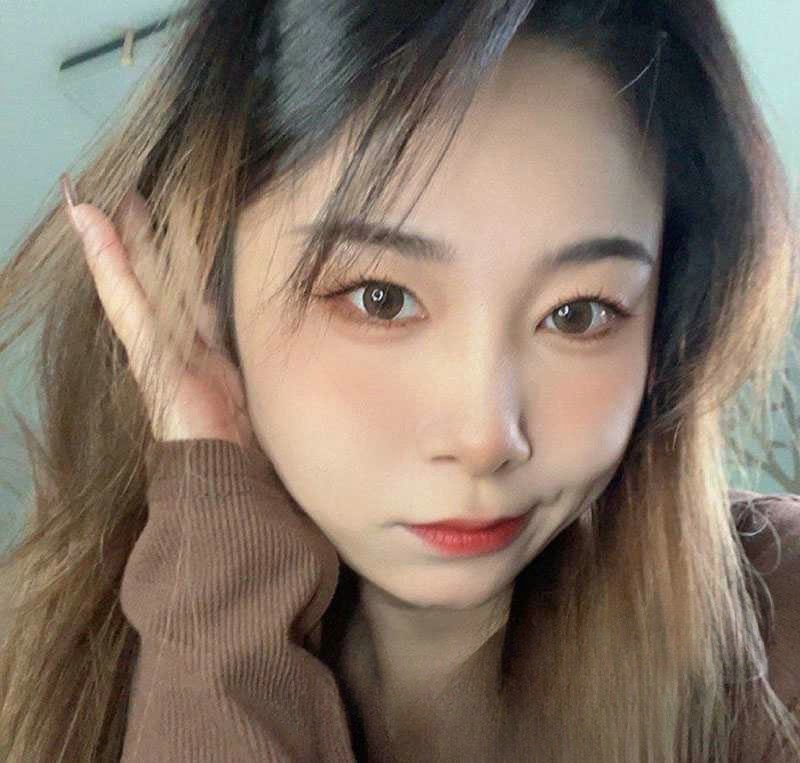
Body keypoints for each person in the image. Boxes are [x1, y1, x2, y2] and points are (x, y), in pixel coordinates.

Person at [0, 0, 798, 760]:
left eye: (580, 313)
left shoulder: (776, 637)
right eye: (380, 299)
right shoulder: (37, 680)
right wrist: (219, 545)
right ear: (202, 280)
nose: (485, 437)